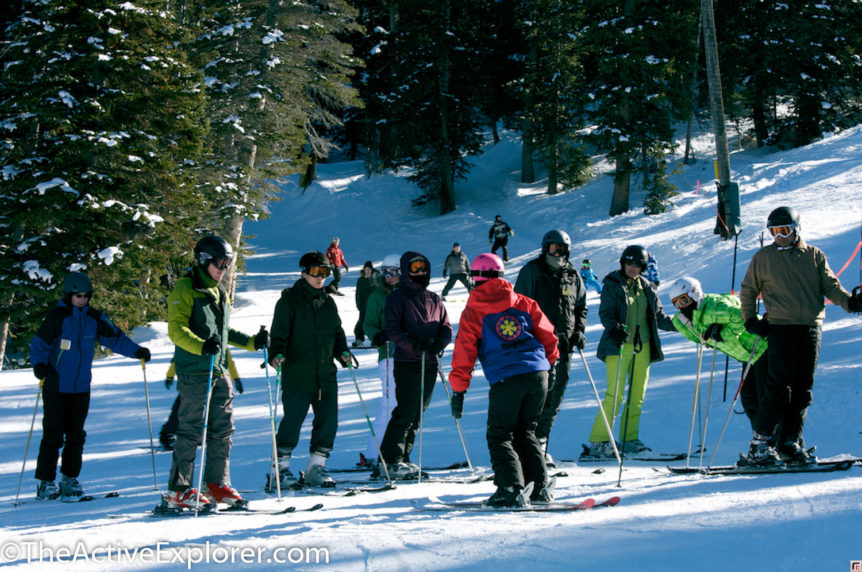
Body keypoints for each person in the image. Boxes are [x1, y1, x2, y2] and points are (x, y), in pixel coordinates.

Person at [739, 206, 861, 465]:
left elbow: (830, 286)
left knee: (803, 389)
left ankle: (789, 442)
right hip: (781, 327)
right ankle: (760, 443)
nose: (779, 236)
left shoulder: (814, 255)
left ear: (796, 229)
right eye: (774, 232)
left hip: (809, 328)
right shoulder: (764, 257)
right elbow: (749, 290)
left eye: (784, 230)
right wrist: (750, 320)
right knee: (779, 388)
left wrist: (850, 303)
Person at [164, 235, 268, 509]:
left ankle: (216, 484)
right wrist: (201, 347)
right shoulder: (185, 289)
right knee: (190, 429)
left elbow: (222, 333)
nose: (224, 268)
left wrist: (250, 342)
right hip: (196, 370)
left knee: (223, 428)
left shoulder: (218, 291)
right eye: (220, 263)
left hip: (219, 368)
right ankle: (179, 489)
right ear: (204, 260)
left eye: (228, 263)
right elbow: (176, 330)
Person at [450, 253, 560, 507]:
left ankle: (510, 488)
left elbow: (464, 351)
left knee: (500, 434)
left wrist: (459, 390)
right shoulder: (522, 301)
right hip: (537, 374)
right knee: (526, 430)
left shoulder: (474, 310)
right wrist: (550, 365)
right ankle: (539, 486)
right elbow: (548, 334)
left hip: (507, 377)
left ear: (474, 277)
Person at [30, 271, 151, 500]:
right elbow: (39, 345)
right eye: (78, 296)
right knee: (53, 436)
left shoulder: (94, 318)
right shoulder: (57, 318)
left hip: (81, 388)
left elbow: (115, 338)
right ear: (68, 295)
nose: (82, 300)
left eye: (86, 296)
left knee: (76, 435)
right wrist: (39, 365)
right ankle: (45, 482)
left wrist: (136, 351)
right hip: (56, 386)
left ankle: (69, 479)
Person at [268, 251, 350, 488]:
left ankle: (316, 467)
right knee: (293, 421)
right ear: (303, 273)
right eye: (315, 272)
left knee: (328, 421)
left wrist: (342, 352)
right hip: (298, 373)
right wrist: (277, 354)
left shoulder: (328, 302)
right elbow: (279, 333)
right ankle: (280, 470)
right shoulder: (289, 300)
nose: (320, 277)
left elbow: (337, 333)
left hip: (325, 374)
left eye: (325, 272)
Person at [584, 245, 675, 458]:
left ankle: (629, 438)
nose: (632, 268)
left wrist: (685, 324)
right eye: (629, 263)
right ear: (622, 263)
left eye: (637, 265)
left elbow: (659, 317)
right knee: (614, 395)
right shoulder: (613, 284)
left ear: (643, 267)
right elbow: (606, 312)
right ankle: (599, 441)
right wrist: (614, 328)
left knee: (637, 396)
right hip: (619, 346)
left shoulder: (647, 287)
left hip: (642, 346)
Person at [514, 230, 587, 466]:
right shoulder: (532, 271)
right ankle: (526, 445)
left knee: (556, 395)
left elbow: (580, 306)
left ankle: (541, 442)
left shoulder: (572, 274)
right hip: (537, 345)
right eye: (554, 249)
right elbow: (519, 307)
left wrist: (578, 331)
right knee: (537, 395)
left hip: (564, 345)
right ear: (545, 249)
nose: (558, 254)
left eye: (563, 250)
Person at [378, 251, 452, 479]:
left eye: (423, 267)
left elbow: (446, 326)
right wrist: (414, 345)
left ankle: (404, 457)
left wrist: (439, 341)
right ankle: (389, 460)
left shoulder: (433, 298)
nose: (419, 271)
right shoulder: (397, 297)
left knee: (419, 413)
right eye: (414, 267)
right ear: (406, 270)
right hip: (408, 361)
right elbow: (393, 329)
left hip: (429, 361)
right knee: (406, 410)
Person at [667, 277, 768, 435]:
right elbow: (700, 338)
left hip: (764, 347)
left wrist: (722, 333)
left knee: (767, 399)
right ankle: (763, 442)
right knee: (750, 400)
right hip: (749, 357)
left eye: (684, 300)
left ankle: (782, 444)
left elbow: (743, 317)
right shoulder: (686, 320)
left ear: (695, 294)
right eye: (677, 304)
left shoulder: (715, 306)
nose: (682, 307)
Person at [358, 253, 401, 469]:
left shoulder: (409, 295)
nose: (389, 277)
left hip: (410, 357)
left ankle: (397, 453)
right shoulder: (378, 296)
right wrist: (377, 335)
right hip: (389, 356)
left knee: (405, 408)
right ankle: (373, 453)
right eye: (385, 272)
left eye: (393, 272)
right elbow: (368, 324)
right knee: (389, 406)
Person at [160, 350, 242, 452]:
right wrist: (170, 375)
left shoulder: (220, 341)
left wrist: (236, 378)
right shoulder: (193, 338)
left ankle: (198, 436)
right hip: (191, 379)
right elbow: (178, 358)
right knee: (183, 408)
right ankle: (168, 435)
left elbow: (227, 360)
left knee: (207, 410)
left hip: (212, 380)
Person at [353, 261, 378, 348]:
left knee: (374, 323)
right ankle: (358, 339)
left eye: (369, 269)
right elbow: (358, 293)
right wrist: (359, 305)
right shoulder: (360, 280)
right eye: (366, 269)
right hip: (363, 306)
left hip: (374, 306)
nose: (367, 271)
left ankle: (375, 340)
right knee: (361, 322)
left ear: (371, 270)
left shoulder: (376, 280)